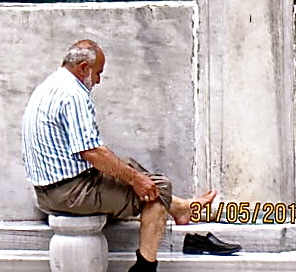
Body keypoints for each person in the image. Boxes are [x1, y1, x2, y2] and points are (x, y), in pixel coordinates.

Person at [22, 39, 241, 272]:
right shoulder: (73, 94)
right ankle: (145, 268)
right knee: (158, 189)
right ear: (83, 67)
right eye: (98, 73)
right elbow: (93, 152)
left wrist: (133, 175)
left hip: (49, 190)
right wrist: (136, 180)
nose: (98, 80)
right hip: (68, 193)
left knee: (129, 166)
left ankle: (180, 209)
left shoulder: (50, 84)